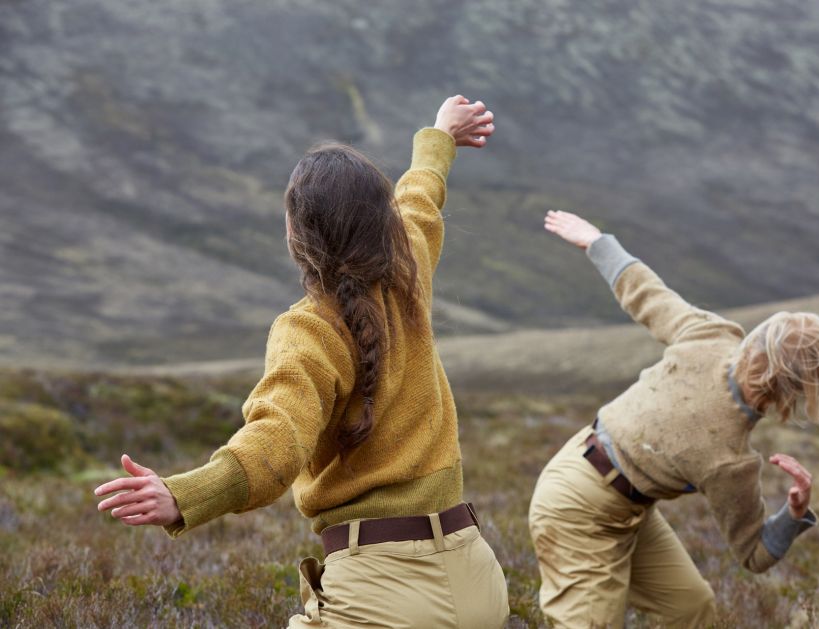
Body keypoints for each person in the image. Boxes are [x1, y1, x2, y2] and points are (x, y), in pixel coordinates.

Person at [94, 95, 509, 628]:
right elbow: (419, 198)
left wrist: (183, 496)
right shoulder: (410, 271)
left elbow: (277, 441)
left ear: (298, 236)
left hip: (382, 599)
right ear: (381, 224)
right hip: (477, 577)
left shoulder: (309, 329)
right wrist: (439, 136)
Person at [530, 210, 819, 628]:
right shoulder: (729, 459)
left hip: (622, 501)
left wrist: (597, 241)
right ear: (794, 395)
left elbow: (647, 293)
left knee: (690, 609)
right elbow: (756, 555)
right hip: (577, 506)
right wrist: (792, 514)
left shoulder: (714, 336)